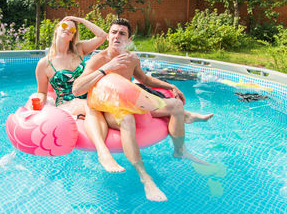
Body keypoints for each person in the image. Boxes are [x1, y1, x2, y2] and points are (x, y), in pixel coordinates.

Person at [73, 18, 214, 201]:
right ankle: (145, 178)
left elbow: (144, 80)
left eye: (122, 33)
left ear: (129, 39)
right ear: (107, 37)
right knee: (127, 119)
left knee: (176, 105)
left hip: (130, 100)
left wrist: (170, 87)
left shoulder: (132, 58)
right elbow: (77, 89)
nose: (117, 36)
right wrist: (108, 68)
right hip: (109, 106)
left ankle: (180, 150)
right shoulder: (99, 59)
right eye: (114, 32)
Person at [34, 16, 125, 173]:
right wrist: (37, 103)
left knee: (110, 110)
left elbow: (103, 36)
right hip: (67, 103)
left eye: (72, 30)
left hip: (88, 95)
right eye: (64, 25)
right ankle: (103, 154)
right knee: (90, 106)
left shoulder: (79, 50)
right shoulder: (44, 63)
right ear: (56, 28)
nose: (68, 29)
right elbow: (42, 91)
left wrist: (79, 20)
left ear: (73, 36)